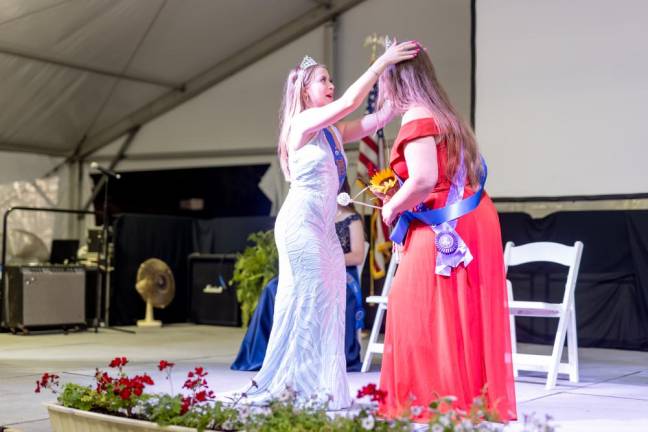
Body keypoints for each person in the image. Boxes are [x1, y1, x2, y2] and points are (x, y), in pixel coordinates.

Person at [237, 41, 418, 408]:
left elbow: (374, 119)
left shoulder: (332, 131)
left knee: (331, 301)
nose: (331, 83)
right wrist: (380, 62)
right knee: (309, 300)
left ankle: (323, 385)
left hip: (323, 229)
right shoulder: (302, 121)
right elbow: (352, 103)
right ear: (305, 90)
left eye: (331, 79)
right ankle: (297, 385)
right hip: (300, 225)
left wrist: (392, 96)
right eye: (323, 80)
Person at [376, 41, 517, 421]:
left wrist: (391, 206)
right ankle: (467, 397)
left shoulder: (417, 115)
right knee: (457, 308)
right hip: (474, 218)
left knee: (414, 304)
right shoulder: (445, 112)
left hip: (448, 223)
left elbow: (423, 179)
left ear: (395, 81)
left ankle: (431, 398)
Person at [230, 179, 366, 372]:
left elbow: (357, 255)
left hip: (340, 274)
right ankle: (266, 353)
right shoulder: (314, 217)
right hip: (310, 271)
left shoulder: (351, 218)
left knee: (326, 291)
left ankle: (324, 356)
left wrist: (325, 260)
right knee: (273, 288)